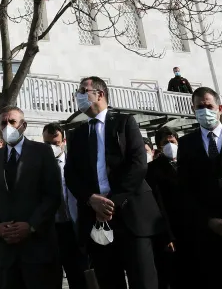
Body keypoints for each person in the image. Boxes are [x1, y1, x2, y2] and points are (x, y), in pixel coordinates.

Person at [64, 76, 162, 289]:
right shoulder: (77, 134)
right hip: (96, 220)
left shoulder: (124, 123)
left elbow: (138, 165)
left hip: (131, 215)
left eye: (83, 91)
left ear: (99, 94)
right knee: (108, 281)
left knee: (143, 280)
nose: (78, 96)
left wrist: (111, 203)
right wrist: (91, 199)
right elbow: (70, 174)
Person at [0, 106, 61, 289]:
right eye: (3, 123)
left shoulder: (42, 152)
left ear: (23, 125)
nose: (7, 126)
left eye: (12, 122)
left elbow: (52, 195)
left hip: (37, 249)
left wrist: (31, 225)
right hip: (5, 252)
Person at [177, 86, 222, 284]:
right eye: (200, 107)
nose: (205, 111)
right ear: (193, 110)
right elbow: (185, 189)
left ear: (219, 108)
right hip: (208, 236)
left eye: (209, 106)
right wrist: (208, 220)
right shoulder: (186, 144)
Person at [42, 123, 85, 289]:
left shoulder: (75, 164)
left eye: (56, 143)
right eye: (47, 143)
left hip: (73, 228)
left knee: (79, 276)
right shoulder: (40, 167)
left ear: (64, 141)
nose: (52, 147)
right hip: (51, 229)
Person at [146, 128, 185, 289]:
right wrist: (167, 235)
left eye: (172, 141)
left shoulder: (187, 163)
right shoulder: (153, 169)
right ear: (159, 146)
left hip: (191, 226)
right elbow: (157, 203)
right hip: (170, 229)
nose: (170, 145)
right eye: (165, 143)